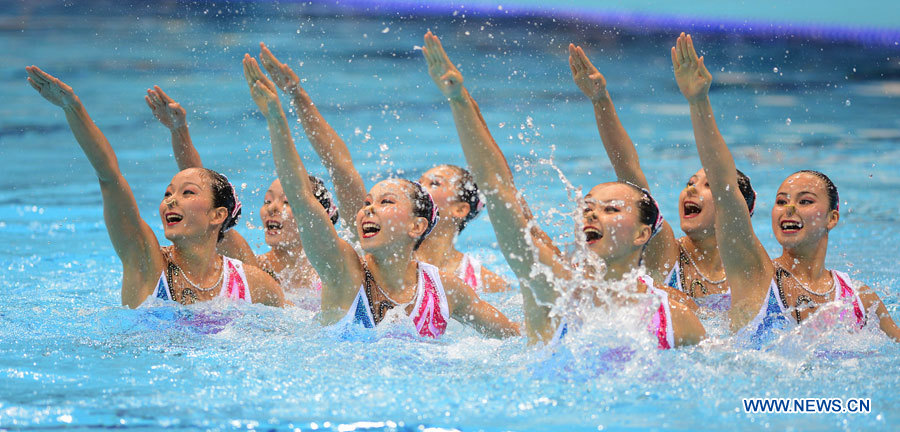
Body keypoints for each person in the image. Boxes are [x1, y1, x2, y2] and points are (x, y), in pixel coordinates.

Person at [421, 32, 705, 347]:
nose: (592, 214)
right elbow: (499, 189)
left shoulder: (674, 317)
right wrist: (460, 99)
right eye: (587, 208)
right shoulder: (551, 289)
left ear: (642, 235)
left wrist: (601, 101)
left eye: (610, 209)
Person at [241, 52, 519, 338]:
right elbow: (303, 197)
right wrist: (276, 117)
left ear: (417, 225)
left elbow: (516, 338)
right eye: (367, 203)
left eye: (385, 202)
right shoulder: (344, 273)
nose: (367, 210)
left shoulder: (447, 288)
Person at [670, 32, 900, 346]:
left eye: (805, 201)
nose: (789, 209)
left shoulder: (859, 298)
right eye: (781, 201)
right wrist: (699, 101)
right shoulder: (757, 276)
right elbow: (725, 188)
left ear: (832, 218)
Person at [25, 66, 284, 308]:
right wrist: (73, 108)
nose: (170, 200)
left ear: (218, 215)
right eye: (168, 193)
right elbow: (109, 178)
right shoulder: (146, 264)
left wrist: (179, 130)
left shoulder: (253, 284)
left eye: (187, 193)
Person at [567, 43, 756, 313]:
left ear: (740, 209)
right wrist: (601, 100)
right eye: (690, 183)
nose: (691, 190)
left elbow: (726, 183)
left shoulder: (753, 268)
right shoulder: (665, 252)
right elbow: (629, 173)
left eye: (707, 185)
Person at [145, 86, 339, 293]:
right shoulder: (254, 270)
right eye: (267, 201)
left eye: (287, 202)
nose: (272, 209)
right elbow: (203, 190)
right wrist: (179, 130)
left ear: (315, 215)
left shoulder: (336, 269)